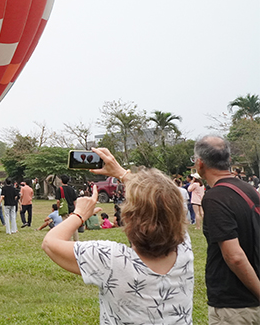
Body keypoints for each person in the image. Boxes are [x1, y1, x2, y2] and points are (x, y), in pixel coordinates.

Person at [43, 147, 193, 324]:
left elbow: (50, 242)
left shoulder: (112, 259)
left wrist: (80, 215)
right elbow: (165, 204)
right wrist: (121, 172)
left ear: (128, 217)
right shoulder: (184, 248)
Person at [195, 136, 260, 323]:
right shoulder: (249, 190)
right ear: (228, 160)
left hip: (235, 306)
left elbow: (234, 256)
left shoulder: (215, 198)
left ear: (200, 164)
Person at [55, 175, 79, 241]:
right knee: (73, 225)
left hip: (65, 209)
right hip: (72, 209)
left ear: (61, 181)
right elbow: (74, 201)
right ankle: (76, 239)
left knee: (66, 225)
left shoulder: (60, 189)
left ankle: (68, 240)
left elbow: (58, 201)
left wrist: (58, 207)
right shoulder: (72, 189)